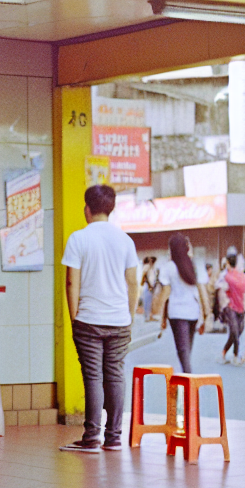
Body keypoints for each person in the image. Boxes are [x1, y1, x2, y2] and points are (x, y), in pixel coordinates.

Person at [59, 184, 139, 453]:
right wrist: (128, 316)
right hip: (119, 320)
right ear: (111, 208)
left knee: (93, 377)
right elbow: (132, 283)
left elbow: (72, 283)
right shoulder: (125, 240)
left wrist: (75, 319)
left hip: (88, 319)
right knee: (115, 375)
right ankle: (114, 438)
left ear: (87, 209)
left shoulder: (78, 239)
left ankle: (92, 437)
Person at [156, 233, 207, 373]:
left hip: (176, 314)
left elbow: (166, 295)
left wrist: (161, 315)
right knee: (186, 352)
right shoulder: (195, 265)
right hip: (193, 314)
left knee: (183, 353)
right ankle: (187, 383)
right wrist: (206, 316)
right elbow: (201, 293)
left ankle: (188, 384)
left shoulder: (168, 267)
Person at [217, 248, 245, 364]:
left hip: (239, 307)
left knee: (235, 332)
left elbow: (220, 290)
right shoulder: (241, 277)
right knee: (236, 331)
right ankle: (236, 356)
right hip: (232, 307)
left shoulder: (227, 277)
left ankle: (224, 352)